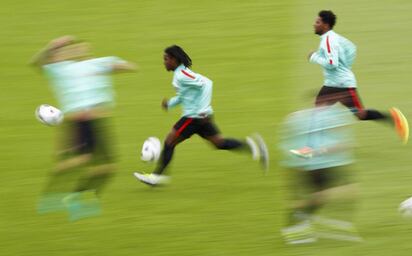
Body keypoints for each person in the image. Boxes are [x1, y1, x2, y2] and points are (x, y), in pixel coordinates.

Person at [31, 36, 137, 221]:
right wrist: (51, 46)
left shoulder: (99, 63)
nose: (81, 49)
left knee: (108, 168)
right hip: (80, 120)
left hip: (99, 122)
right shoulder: (62, 69)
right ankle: (55, 195)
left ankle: (73, 196)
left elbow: (128, 66)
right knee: (82, 160)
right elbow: (36, 63)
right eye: (75, 48)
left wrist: (119, 67)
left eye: (83, 47)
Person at [134, 45, 268, 186]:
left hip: (194, 117)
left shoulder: (182, 75)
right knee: (219, 143)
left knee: (169, 142)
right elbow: (184, 95)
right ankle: (253, 146)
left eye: (166, 59)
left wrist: (202, 109)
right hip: (201, 117)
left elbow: (207, 83)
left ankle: (156, 177)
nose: (164, 62)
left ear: (174, 59)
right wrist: (170, 104)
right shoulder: (179, 75)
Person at [307, 10, 409, 149]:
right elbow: (352, 49)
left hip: (341, 85)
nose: (314, 24)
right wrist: (345, 68)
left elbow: (332, 63)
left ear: (325, 25)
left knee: (351, 114)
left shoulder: (328, 41)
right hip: (336, 83)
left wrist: (314, 57)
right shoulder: (334, 37)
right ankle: (313, 147)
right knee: (355, 114)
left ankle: (311, 148)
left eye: (317, 22)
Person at [280, 92, 361, 244]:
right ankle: (295, 227)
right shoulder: (331, 117)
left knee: (318, 197)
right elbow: (337, 144)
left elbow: (292, 146)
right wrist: (329, 149)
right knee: (331, 194)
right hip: (320, 164)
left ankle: (296, 225)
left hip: (307, 164)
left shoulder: (298, 117)